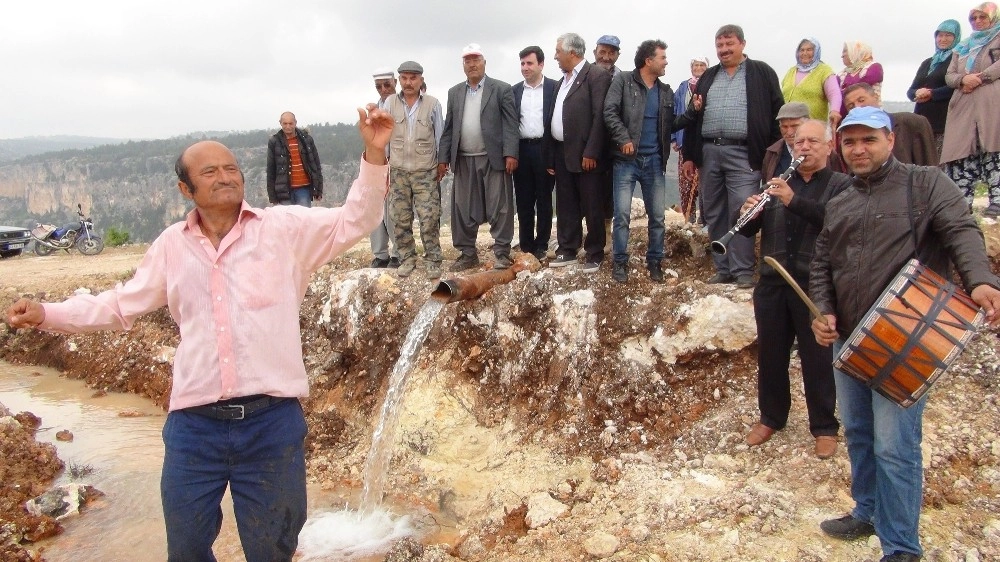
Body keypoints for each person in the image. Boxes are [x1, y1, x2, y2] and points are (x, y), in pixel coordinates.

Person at [4, 106, 395, 562]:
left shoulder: (284, 230)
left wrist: (373, 151)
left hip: (271, 424)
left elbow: (358, 218)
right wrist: (46, 313)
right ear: (185, 189)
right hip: (194, 428)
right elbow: (118, 304)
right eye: (209, 171)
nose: (225, 176)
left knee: (273, 550)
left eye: (231, 168)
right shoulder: (171, 245)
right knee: (187, 549)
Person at [810, 106, 1000, 562]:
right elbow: (822, 263)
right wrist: (823, 310)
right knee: (858, 431)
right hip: (851, 337)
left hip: (906, 336)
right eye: (850, 141)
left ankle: (900, 546)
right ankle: (868, 511)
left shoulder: (925, 183)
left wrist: (980, 279)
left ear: (889, 140)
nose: (858, 149)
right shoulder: (840, 198)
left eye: (868, 140)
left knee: (896, 445)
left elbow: (960, 229)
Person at [739, 119, 850, 459]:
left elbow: (837, 222)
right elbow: (747, 232)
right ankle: (772, 417)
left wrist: (791, 200)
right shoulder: (777, 183)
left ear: (828, 147)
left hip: (814, 285)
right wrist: (747, 212)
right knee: (771, 354)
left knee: (817, 358)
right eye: (799, 142)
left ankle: (824, 426)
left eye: (812, 141)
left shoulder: (842, 186)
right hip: (772, 281)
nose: (803, 147)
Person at [680, 24, 784, 289]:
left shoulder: (762, 73)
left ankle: (743, 270)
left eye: (729, 45)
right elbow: (693, 117)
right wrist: (691, 155)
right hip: (709, 151)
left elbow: (776, 115)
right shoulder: (709, 76)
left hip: (745, 153)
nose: (724, 50)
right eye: (720, 46)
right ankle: (722, 268)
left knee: (744, 210)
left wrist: (772, 153)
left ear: (742, 44)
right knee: (713, 210)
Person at [438, 43, 519, 272]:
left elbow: (511, 124)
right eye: (467, 60)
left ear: (484, 62)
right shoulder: (454, 92)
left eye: (476, 59)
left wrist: (511, 153)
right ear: (463, 65)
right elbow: (449, 127)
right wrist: (443, 158)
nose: (472, 64)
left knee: (499, 205)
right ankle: (467, 253)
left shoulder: (501, 89)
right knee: (462, 208)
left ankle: (502, 252)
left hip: (493, 157)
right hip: (463, 159)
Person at [603, 39, 678, 283]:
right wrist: (623, 138)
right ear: (648, 61)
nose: (666, 62)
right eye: (662, 57)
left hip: (654, 161)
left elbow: (671, 125)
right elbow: (610, 112)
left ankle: (655, 261)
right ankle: (620, 263)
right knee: (622, 215)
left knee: (657, 216)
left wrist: (692, 113)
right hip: (626, 160)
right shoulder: (623, 81)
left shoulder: (665, 91)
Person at [546, 32, 612, 272]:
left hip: (587, 154)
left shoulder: (596, 76)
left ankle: (594, 252)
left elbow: (599, 117)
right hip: (562, 151)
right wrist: (552, 155)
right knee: (566, 204)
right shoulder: (562, 80)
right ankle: (567, 249)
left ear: (572, 52)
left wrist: (592, 152)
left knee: (592, 203)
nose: (555, 56)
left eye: (558, 52)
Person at [384, 61, 445, 279]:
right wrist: (384, 165)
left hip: (425, 171)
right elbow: (384, 136)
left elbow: (440, 136)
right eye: (404, 78)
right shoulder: (390, 104)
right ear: (399, 80)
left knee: (429, 218)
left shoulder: (432, 104)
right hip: (398, 170)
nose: (408, 83)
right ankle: (407, 258)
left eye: (413, 78)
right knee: (400, 218)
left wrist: (441, 163)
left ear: (421, 79)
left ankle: (433, 259)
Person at [941, 2, 1000, 217]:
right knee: (962, 152)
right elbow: (949, 75)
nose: (977, 22)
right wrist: (963, 79)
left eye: (982, 17)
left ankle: (997, 200)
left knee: (993, 148)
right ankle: (961, 202)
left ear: (993, 18)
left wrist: (981, 78)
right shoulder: (963, 46)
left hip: (991, 104)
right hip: (963, 104)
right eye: (973, 18)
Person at [512, 46, 558, 262]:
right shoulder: (514, 91)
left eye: (529, 63)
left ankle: (542, 244)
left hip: (545, 149)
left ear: (541, 64)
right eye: (522, 63)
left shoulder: (553, 88)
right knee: (523, 200)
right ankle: (526, 245)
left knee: (544, 199)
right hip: (522, 150)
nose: (525, 68)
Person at [843, 83, 937, 166]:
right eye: (851, 106)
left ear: (876, 97)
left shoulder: (911, 123)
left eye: (861, 100)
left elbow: (930, 164)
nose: (857, 107)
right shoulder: (848, 138)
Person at [907, 19, 962, 157]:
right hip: (922, 121)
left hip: (944, 121)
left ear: (956, 37)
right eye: (940, 35)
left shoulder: (958, 60)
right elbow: (910, 91)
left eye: (948, 35)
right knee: (920, 162)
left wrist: (932, 94)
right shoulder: (928, 63)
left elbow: (956, 86)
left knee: (938, 162)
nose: (943, 39)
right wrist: (917, 92)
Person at [370, 68, 401, 268]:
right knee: (375, 209)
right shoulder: (374, 110)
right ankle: (380, 254)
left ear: (395, 83)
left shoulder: (401, 105)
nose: (383, 89)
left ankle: (398, 253)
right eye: (379, 86)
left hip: (397, 163)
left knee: (395, 210)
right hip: (377, 164)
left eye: (386, 85)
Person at [672, 57, 709, 222]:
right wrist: (673, 137)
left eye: (702, 65)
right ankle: (689, 215)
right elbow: (674, 111)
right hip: (684, 139)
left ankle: (705, 216)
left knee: (704, 180)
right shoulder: (682, 87)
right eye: (696, 65)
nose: (699, 68)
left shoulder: (711, 84)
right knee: (686, 180)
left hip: (705, 140)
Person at [781, 38, 842, 128]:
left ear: (816, 51)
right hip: (789, 126)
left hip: (814, 126)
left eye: (809, 50)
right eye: (802, 50)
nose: (804, 53)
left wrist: (834, 110)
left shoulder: (824, 70)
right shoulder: (791, 71)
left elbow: (834, 93)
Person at [266, 111, 323, 207]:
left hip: (303, 190)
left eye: (290, 123)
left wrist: (318, 190)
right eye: (285, 123)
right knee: (287, 221)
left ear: (295, 123)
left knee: (304, 220)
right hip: (283, 191)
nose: (288, 126)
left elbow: (316, 165)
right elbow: (271, 170)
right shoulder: (274, 142)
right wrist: (272, 197)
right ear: (280, 123)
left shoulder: (307, 140)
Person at [837, 41, 883, 117]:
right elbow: (837, 96)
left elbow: (863, 85)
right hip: (848, 117)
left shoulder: (873, 67)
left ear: (856, 51)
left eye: (845, 51)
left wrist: (844, 91)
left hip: (872, 114)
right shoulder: (841, 74)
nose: (842, 55)